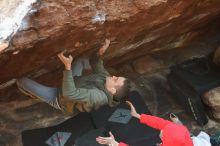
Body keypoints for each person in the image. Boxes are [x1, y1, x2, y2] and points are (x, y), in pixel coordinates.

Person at [17, 39, 130, 115]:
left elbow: (69, 94)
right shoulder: (106, 79)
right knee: (80, 61)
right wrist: (100, 53)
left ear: (112, 90)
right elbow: (96, 64)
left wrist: (67, 66)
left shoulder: (97, 97)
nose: (114, 76)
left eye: (116, 80)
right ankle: (67, 77)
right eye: (117, 76)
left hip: (60, 98)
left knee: (22, 81)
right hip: (76, 82)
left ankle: (35, 95)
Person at [96, 101, 211, 146]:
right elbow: (160, 123)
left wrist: (115, 144)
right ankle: (179, 124)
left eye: (163, 134)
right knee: (178, 127)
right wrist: (138, 116)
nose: (161, 130)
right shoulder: (196, 142)